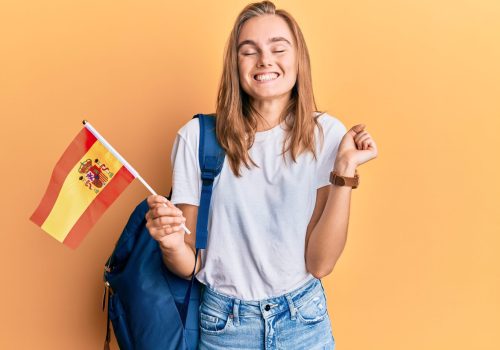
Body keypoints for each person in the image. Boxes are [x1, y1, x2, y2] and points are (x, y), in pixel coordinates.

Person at [145, 1, 378, 349]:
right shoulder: (196, 138)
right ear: (235, 65)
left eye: (278, 48)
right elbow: (189, 263)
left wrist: (344, 171)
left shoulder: (326, 135)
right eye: (248, 51)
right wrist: (171, 244)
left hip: (304, 320)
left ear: (298, 59)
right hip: (224, 325)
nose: (265, 60)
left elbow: (320, 263)